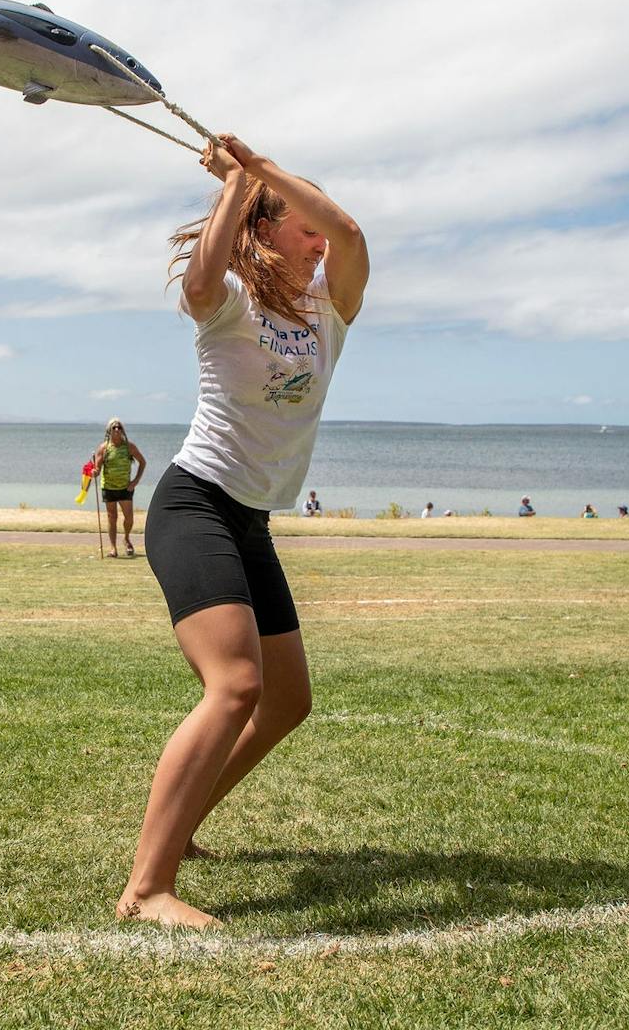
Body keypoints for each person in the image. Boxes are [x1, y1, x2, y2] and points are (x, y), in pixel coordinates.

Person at [119, 131, 368, 931]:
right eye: (301, 223)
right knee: (236, 686)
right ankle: (147, 888)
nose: (320, 237)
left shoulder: (332, 310)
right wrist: (237, 188)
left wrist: (259, 169)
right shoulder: (229, 302)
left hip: (251, 519)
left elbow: (354, 234)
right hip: (195, 504)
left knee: (286, 701)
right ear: (263, 231)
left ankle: (180, 827)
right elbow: (200, 275)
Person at [93, 418, 146, 558]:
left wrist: (135, 481)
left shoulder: (129, 446)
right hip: (108, 486)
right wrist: (95, 472)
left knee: (129, 517)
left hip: (125, 487)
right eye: (114, 427)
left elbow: (142, 462)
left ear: (122, 430)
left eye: (119, 427)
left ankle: (127, 538)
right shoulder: (103, 448)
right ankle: (113, 548)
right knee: (112, 517)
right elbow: (97, 467)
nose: (117, 429)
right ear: (109, 431)